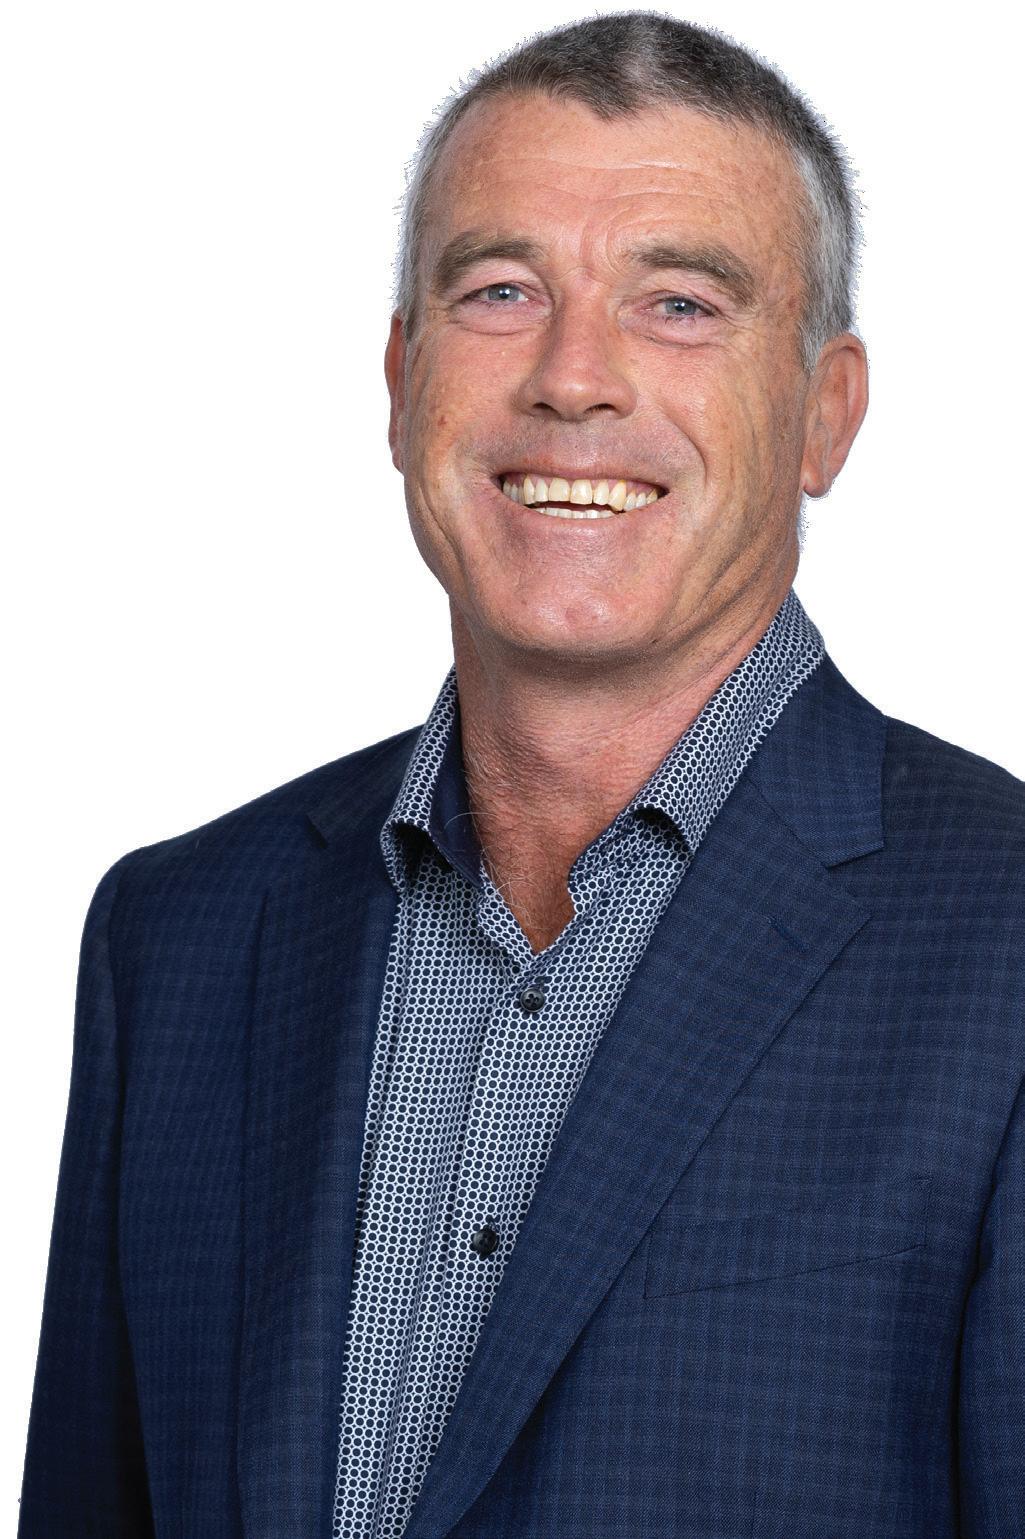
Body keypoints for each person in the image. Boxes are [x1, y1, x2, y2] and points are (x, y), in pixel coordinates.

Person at [17, 12, 1025, 1538]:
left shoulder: (1002, 939)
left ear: (824, 412)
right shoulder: (178, 940)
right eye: (500, 291)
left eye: (677, 304)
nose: (572, 378)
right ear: (402, 378)